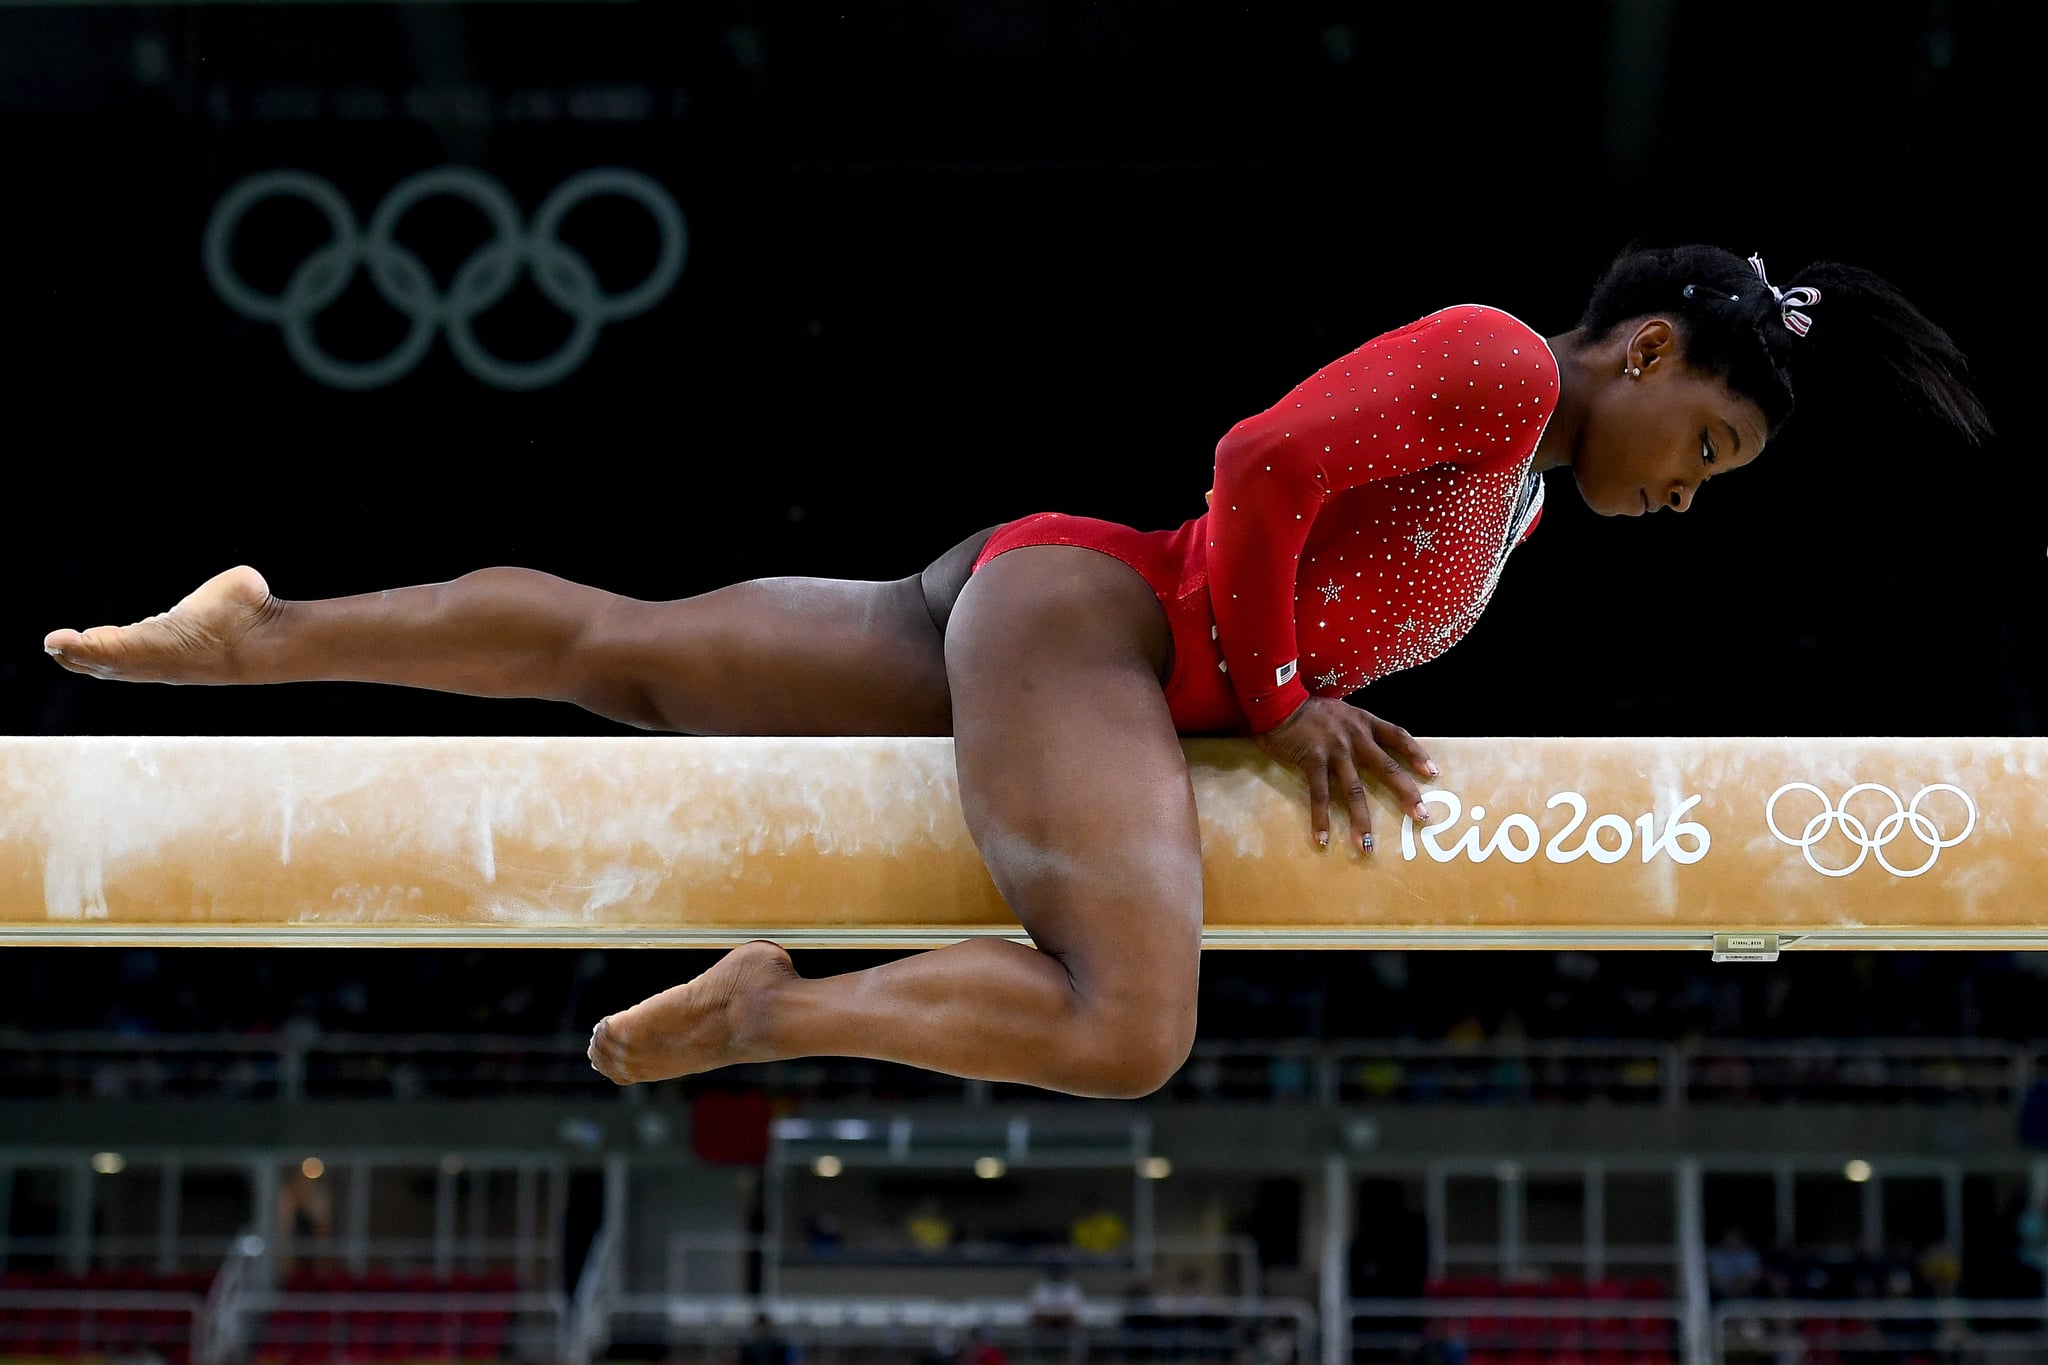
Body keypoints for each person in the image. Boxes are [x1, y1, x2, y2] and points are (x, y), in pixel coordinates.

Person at [42, 244, 1989, 1100]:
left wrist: (1283, 675)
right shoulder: (1495, 364)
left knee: (626, 656)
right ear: (1643, 350)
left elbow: (1283, 530)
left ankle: (265, 629)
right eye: (1712, 447)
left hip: (1055, 608)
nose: (1693, 492)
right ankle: (774, 1010)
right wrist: (1289, 683)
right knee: (1127, 1022)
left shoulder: (1524, 494)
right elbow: (1257, 464)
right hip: (1098, 631)